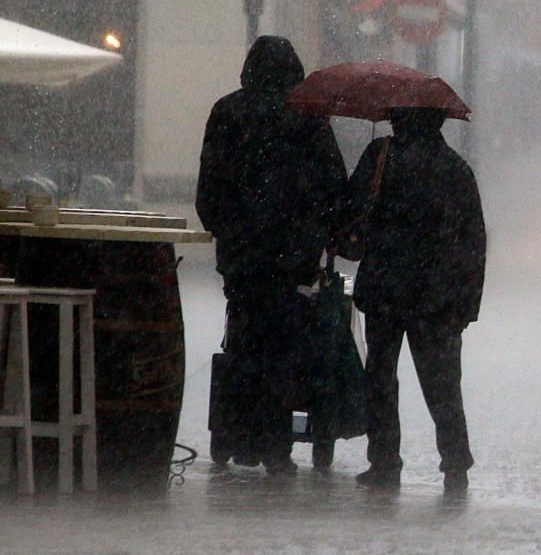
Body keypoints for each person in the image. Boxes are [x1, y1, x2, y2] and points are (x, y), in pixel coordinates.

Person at [196, 35, 348, 475]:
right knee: (283, 352)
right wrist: (318, 234)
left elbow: (210, 186)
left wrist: (227, 230)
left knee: (244, 345)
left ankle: (240, 438)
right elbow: (332, 185)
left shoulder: (228, 112)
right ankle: (276, 447)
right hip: (291, 260)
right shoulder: (307, 116)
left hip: (244, 259)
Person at [343, 107, 486, 494]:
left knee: (381, 378)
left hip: (385, 288)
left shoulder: (381, 156)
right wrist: (467, 301)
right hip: (436, 297)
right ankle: (455, 464)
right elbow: (473, 241)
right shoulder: (455, 169)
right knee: (442, 384)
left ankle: (384, 460)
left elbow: (351, 209)